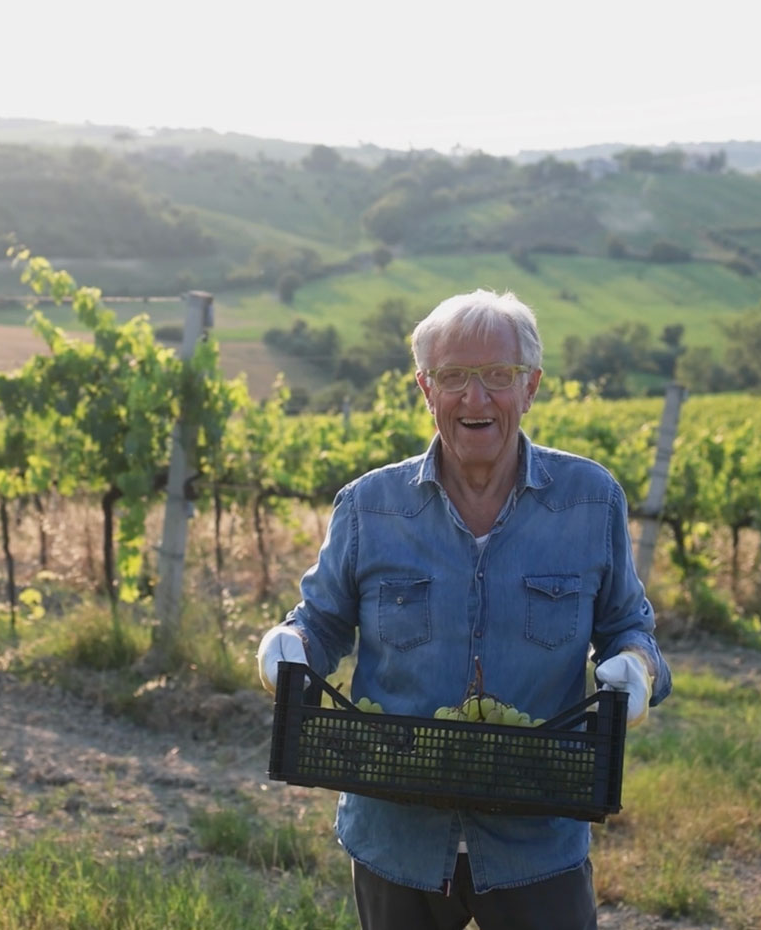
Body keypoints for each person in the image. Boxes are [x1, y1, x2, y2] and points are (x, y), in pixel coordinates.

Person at [256, 288, 671, 930]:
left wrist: (636, 671)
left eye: (496, 377)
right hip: (396, 836)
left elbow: (628, 629)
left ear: (530, 386)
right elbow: (322, 622)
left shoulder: (591, 501)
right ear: (426, 388)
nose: (474, 399)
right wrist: (287, 644)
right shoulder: (370, 507)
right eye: (453, 377)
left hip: (538, 835)